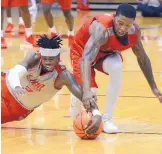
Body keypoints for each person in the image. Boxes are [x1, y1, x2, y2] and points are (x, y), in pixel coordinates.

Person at [69, 3, 162, 133]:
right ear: (114, 18)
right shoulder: (101, 30)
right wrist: (86, 91)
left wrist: (154, 88)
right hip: (82, 53)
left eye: (127, 25)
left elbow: (143, 58)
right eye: (120, 23)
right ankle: (77, 101)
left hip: (105, 53)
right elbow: (86, 59)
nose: (123, 28)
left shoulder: (134, 32)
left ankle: (107, 119)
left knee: (117, 66)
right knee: (90, 92)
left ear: (133, 23)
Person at [1, 35, 101, 135]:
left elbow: (84, 96)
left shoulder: (63, 76)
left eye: (51, 59)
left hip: (16, 108)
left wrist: (96, 114)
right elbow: (15, 72)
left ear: (58, 58)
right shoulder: (33, 57)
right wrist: (17, 86)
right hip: (4, 86)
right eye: (45, 59)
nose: (48, 62)